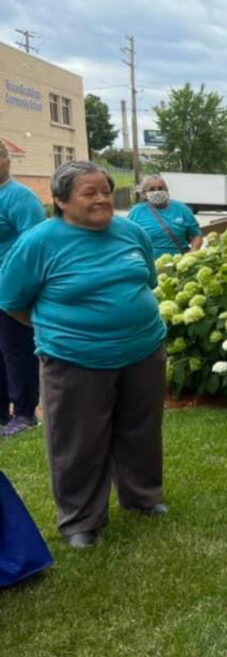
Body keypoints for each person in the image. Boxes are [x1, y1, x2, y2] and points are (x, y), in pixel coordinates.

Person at [0, 161, 168, 549]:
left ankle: (143, 496)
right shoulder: (39, 242)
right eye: (89, 193)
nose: (102, 199)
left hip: (143, 349)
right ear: (60, 200)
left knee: (141, 430)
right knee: (78, 441)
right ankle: (80, 520)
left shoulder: (132, 232)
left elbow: (147, 279)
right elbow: (11, 301)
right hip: (74, 359)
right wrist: (61, 332)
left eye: (105, 191)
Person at [0, 141, 45, 437]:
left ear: (6, 161)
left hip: (11, 291)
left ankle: (26, 412)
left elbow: (36, 244)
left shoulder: (19, 197)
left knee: (17, 352)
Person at [127, 174, 203, 258]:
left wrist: (191, 255)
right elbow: (127, 238)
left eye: (160, 188)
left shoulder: (182, 209)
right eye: (152, 189)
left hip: (177, 264)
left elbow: (197, 236)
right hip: (148, 264)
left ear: (166, 191)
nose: (157, 192)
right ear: (144, 194)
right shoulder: (136, 212)